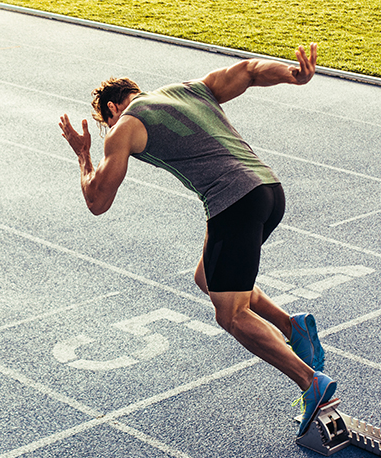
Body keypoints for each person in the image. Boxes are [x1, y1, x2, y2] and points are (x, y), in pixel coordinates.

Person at [58, 43, 335, 437]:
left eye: (107, 124)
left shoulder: (122, 129)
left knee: (231, 314)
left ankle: (311, 383)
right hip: (269, 191)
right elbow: (251, 69)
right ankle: (295, 329)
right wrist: (295, 74)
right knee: (207, 278)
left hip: (233, 202)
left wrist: (84, 154)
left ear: (111, 111)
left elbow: (97, 201)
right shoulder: (188, 89)